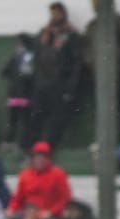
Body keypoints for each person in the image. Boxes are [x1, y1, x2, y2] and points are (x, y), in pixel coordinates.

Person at [30, 2, 82, 149]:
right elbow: (37, 55)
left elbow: (76, 64)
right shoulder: (44, 34)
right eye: (53, 13)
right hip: (42, 84)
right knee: (37, 117)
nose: (55, 16)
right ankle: (34, 147)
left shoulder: (71, 35)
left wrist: (70, 87)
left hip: (60, 85)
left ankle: (49, 147)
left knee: (56, 119)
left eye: (57, 13)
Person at [1, 33, 37, 150]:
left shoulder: (24, 57)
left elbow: (25, 75)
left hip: (19, 94)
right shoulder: (21, 57)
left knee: (18, 120)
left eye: (19, 43)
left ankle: (16, 142)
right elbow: (6, 71)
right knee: (18, 120)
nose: (18, 45)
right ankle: (12, 142)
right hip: (19, 94)